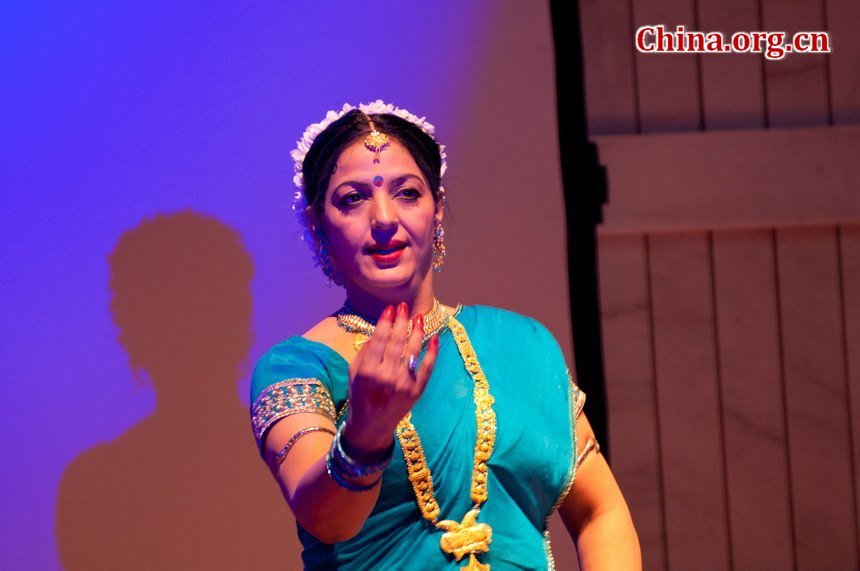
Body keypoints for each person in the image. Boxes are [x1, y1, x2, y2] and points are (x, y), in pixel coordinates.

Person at [250, 100, 640, 569]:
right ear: (318, 226)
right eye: (353, 198)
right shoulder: (299, 367)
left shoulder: (521, 345)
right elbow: (325, 518)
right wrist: (365, 435)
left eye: (407, 193)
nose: (384, 219)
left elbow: (601, 511)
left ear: (437, 209)